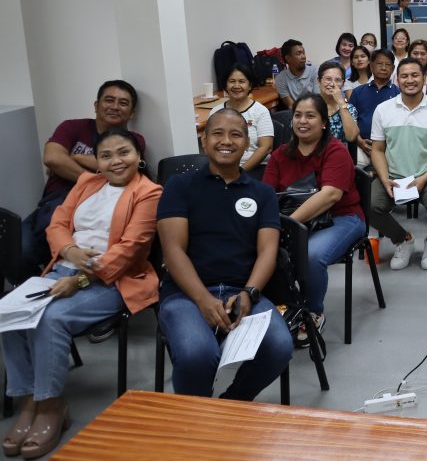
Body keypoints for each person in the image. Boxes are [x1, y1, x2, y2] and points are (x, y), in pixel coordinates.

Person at [2, 130, 160, 459]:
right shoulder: (87, 183)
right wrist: (70, 251)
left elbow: (130, 250)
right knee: (12, 313)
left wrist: (81, 279)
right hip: (65, 269)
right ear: (97, 161)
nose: (116, 161)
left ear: (137, 156)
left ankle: (51, 407)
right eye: (106, 155)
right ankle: (29, 400)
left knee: (50, 319)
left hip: (115, 281)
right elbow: (56, 224)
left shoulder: (149, 192)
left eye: (124, 153)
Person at [156, 109, 292, 401]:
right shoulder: (180, 186)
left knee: (280, 346)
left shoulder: (262, 193)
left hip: (242, 293)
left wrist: (249, 293)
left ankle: (232, 404)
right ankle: (198, 418)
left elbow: (268, 250)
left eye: (236, 134)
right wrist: (203, 300)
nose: (226, 141)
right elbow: (172, 250)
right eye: (217, 133)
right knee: (198, 355)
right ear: (204, 142)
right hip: (185, 294)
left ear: (246, 143)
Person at [262, 94, 365, 338]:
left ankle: (312, 312)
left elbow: (330, 195)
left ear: (323, 123)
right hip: (295, 221)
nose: (302, 121)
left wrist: (287, 226)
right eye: (298, 115)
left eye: (310, 116)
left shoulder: (335, 150)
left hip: (343, 218)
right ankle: (279, 306)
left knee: (311, 255)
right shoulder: (280, 155)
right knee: (262, 249)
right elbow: (266, 194)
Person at [21, 80, 146, 278]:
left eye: (123, 103)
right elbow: (52, 157)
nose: (114, 106)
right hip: (56, 199)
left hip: (99, 201)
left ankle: (61, 278)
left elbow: (119, 169)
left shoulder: (134, 140)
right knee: (20, 248)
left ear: (131, 113)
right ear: (96, 106)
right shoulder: (72, 127)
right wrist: (91, 176)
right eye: (109, 100)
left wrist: (74, 158)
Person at [369, 57, 427, 271]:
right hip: (393, 174)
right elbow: (377, 149)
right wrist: (383, 177)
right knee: (369, 206)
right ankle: (402, 240)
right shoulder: (383, 109)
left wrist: (424, 178)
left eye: (415, 75)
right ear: (396, 80)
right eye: (404, 76)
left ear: (424, 78)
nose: (410, 80)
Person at [209, 64, 273, 174]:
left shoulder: (260, 111)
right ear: (225, 84)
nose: (236, 86)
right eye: (232, 81)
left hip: (254, 168)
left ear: (249, 85)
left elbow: (266, 147)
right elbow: (210, 143)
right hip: (222, 168)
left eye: (242, 81)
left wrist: (240, 171)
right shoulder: (216, 112)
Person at [349, 50, 400, 168]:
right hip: (361, 145)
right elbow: (350, 120)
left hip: (389, 148)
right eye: (379, 64)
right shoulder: (358, 91)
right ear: (371, 66)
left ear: (393, 69)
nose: (383, 68)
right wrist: (359, 141)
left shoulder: (398, 93)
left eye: (387, 65)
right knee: (352, 165)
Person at [316, 62, 358, 145]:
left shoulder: (350, 109)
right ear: (318, 81)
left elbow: (352, 137)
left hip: (338, 155)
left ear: (343, 83)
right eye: (328, 79)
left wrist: (340, 102)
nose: (332, 84)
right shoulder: (308, 105)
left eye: (338, 80)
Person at [274, 38, 317, 110]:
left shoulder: (314, 72)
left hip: (315, 110)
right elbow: (291, 105)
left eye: (303, 53)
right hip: (296, 113)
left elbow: (318, 101)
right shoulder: (280, 78)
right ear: (288, 58)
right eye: (298, 53)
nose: (303, 57)